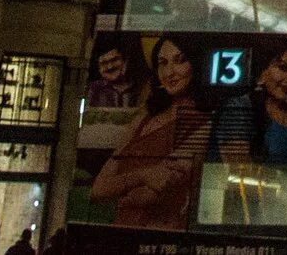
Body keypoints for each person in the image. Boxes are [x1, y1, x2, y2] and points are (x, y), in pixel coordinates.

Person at [88, 35, 208, 230]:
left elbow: (153, 192)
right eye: (162, 63)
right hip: (119, 233)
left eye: (180, 61)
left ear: (195, 64)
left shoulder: (204, 122)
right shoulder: (145, 118)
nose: (170, 72)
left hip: (161, 236)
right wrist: (142, 176)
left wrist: (122, 183)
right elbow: (98, 189)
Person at [209, 42, 287, 225]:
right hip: (249, 221)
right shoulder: (240, 108)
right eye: (283, 68)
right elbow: (239, 175)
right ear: (263, 72)